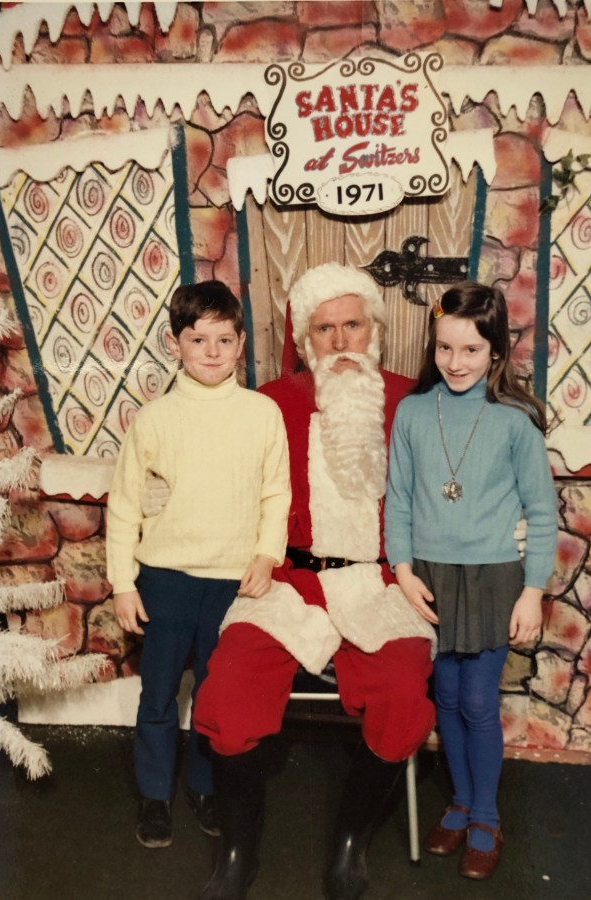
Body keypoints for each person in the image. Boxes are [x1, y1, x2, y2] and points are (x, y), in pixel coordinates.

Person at [190, 263, 438, 900]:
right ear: (305, 339)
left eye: (351, 324)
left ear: (372, 330)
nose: (339, 341)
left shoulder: (411, 400)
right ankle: (239, 853)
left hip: (381, 584)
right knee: (227, 687)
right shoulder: (273, 401)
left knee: (406, 693)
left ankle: (350, 843)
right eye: (323, 329)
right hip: (289, 580)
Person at [105, 281, 290, 850]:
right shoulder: (156, 419)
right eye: (197, 339)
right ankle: (155, 794)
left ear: (241, 346)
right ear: (175, 343)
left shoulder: (262, 413)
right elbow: (125, 504)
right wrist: (122, 584)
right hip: (165, 578)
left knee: (216, 691)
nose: (211, 351)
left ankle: (208, 786)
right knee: (159, 690)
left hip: (232, 579)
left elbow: (275, 494)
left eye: (224, 339)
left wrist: (266, 554)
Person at [385, 281, 557, 881]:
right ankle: (458, 804)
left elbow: (542, 512)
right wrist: (403, 570)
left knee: (480, 701)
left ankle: (485, 816)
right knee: (448, 699)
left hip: (492, 578)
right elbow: (400, 499)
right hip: (428, 578)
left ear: (496, 353)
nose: (455, 363)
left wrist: (533, 590)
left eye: (471, 351)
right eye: (444, 349)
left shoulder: (515, 422)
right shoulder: (412, 411)